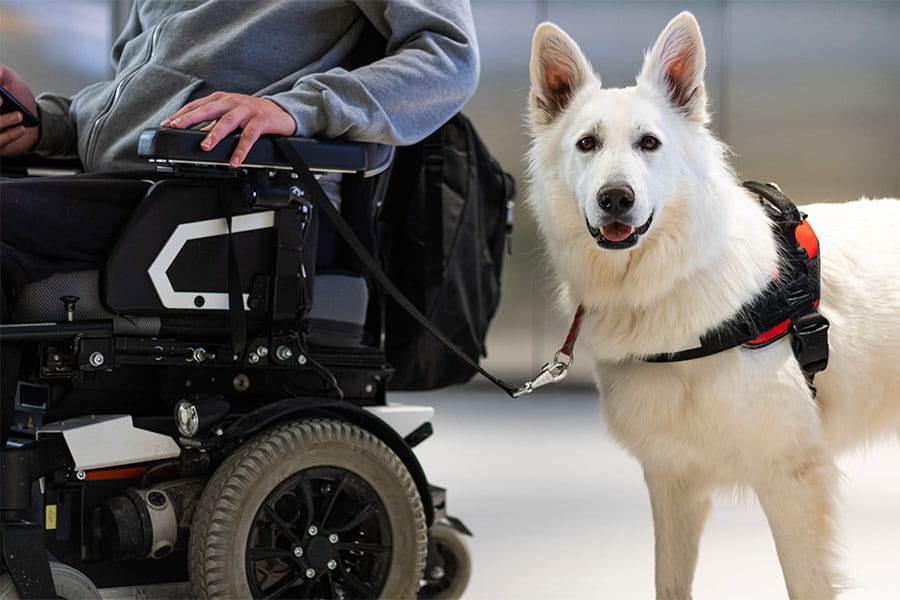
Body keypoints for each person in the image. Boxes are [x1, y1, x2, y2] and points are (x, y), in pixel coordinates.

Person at [0, 0, 480, 440]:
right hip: (139, 187)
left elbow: (448, 57)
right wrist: (47, 124)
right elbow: (140, 92)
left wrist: (294, 109)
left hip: (241, 204)